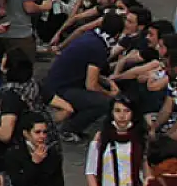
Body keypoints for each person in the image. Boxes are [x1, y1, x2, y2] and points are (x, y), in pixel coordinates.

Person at [46, 11, 123, 140]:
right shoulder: (98, 48)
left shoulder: (91, 37)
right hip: (62, 89)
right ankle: (69, 129)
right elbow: (91, 85)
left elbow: (92, 72)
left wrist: (108, 83)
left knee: (103, 88)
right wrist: (110, 94)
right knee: (105, 102)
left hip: (59, 82)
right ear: (117, 35)